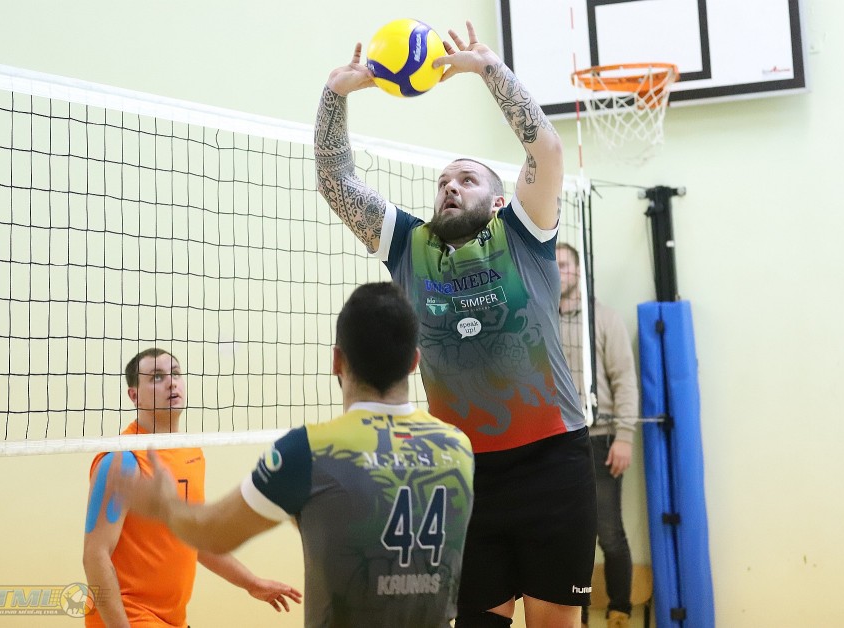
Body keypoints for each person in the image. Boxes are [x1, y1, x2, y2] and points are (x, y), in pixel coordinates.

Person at [314, 21, 596, 628]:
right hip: (462, 470)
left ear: (498, 201)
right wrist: (335, 94)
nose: (450, 186)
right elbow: (336, 184)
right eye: (443, 181)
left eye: (467, 179)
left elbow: (545, 150)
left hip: (553, 463)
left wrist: (488, 69)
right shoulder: (408, 246)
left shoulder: (523, 233)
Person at [107, 283, 476, 627]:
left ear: (337, 361)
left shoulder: (308, 451)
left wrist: (166, 505)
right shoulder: (457, 446)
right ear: (414, 361)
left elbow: (213, 534)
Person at [82, 347, 302, 627]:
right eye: (157, 377)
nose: (171, 382)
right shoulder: (121, 459)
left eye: (175, 373)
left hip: (173, 619)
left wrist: (251, 583)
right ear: (134, 395)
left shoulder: (192, 452)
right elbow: (95, 555)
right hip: (129, 616)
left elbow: (194, 536)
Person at [556, 242, 640, 628]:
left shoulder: (604, 319)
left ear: (579, 271)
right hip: (556, 443)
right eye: (553, 265)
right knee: (568, 538)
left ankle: (619, 611)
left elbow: (625, 381)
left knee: (609, 533)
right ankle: (577, 617)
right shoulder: (540, 319)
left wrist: (624, 437)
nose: (559, 272)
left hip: (601, 438)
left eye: (565, 265)